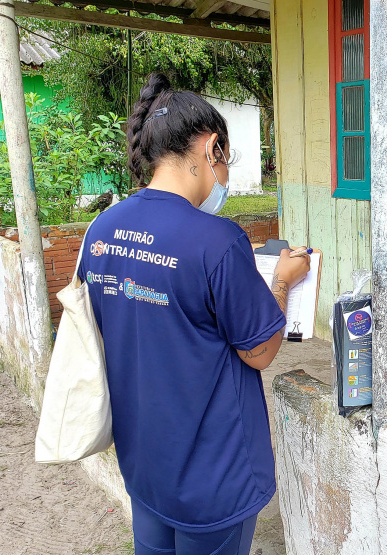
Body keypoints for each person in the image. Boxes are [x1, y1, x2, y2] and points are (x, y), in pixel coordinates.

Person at [78, 73, 310, 554]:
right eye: (227, 160)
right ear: (212, 149)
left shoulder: (101, 230)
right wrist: (283, 280)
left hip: (145, 466)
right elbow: (261, 350)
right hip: (212, 478)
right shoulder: (217, 241)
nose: (224, 177)